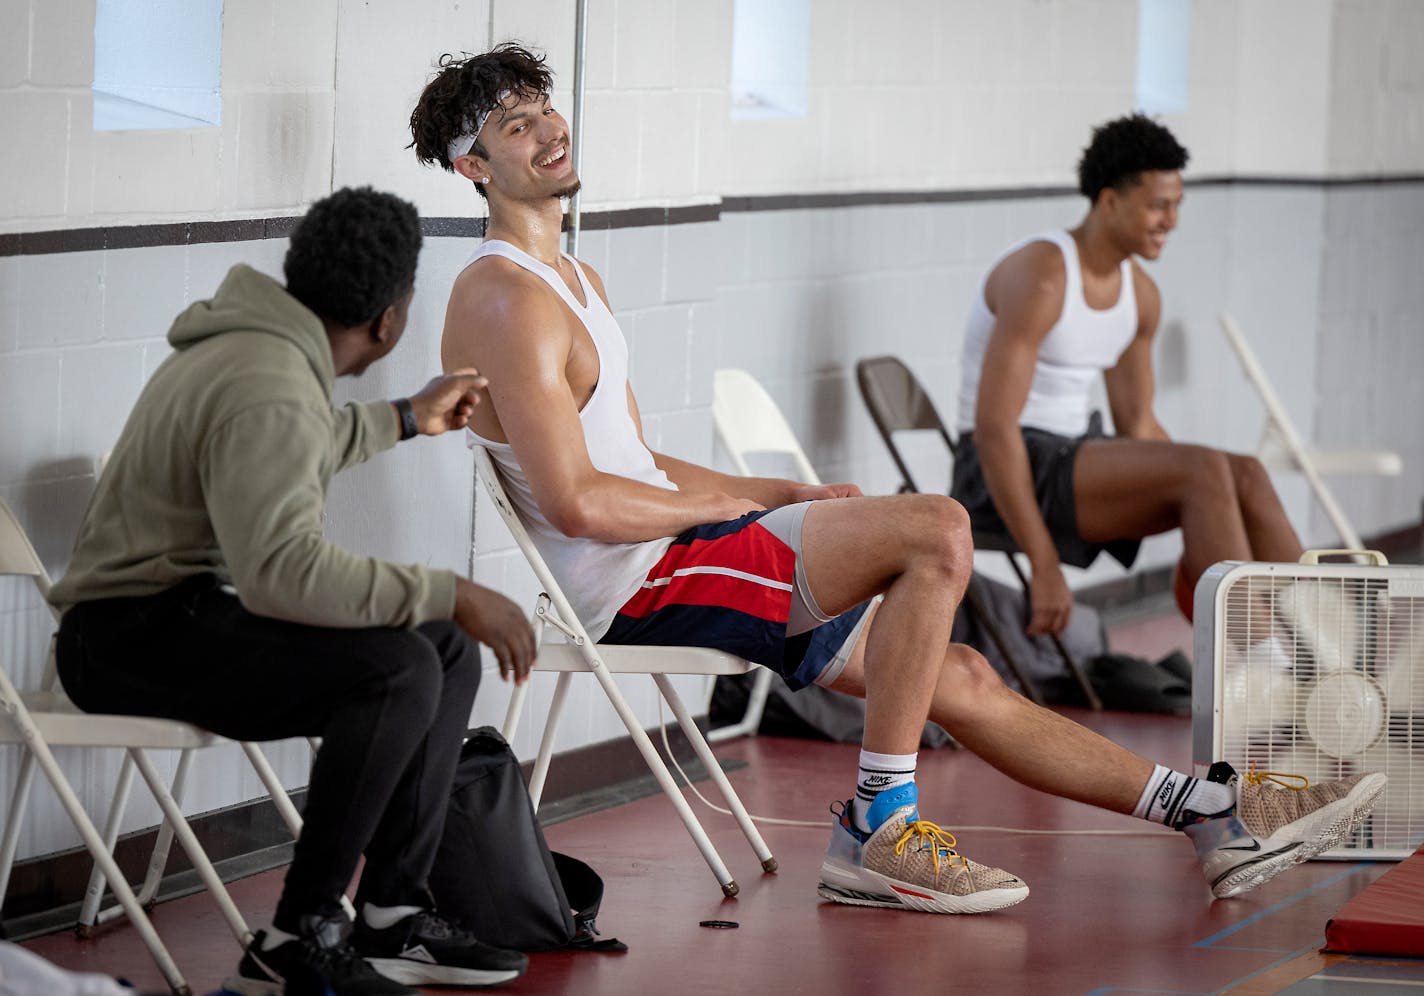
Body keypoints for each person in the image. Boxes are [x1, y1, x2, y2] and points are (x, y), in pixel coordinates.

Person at [409, 46, 1383, 914]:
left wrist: (770, 492)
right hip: (638, 580)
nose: (545, 129)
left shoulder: (577, 280)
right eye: (512, 123)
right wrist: (728, 506)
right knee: (936, 528)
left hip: (685, 549)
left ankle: (1206, 811)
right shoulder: (499, 295)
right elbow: (580, 501)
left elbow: (637, 462)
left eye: (543, 106)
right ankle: (878, 825)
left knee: (953, 675)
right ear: (471, 166)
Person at [49, 187, 536, 996]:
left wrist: (407, 418)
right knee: (400, 667)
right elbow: (283, 575)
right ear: (392, 318)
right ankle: (296, 937)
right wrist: (450, 588)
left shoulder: (265, 349)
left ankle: (390, 917)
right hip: (125, 638)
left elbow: (292, 447)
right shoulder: (267, 379)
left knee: (440, 654)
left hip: (164, 617)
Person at [952, 113, 1304, 637]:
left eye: (1178, 204)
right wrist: (1044, 565)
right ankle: (1255, 671)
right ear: (1110, 201)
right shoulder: (1044, 276)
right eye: (1158, 205)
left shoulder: (1140, 296)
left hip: (1072, 457)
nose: (1173, 220)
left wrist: (1217, 498)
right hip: (999, 470)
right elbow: (994, 430)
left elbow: (1138, 422)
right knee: (1205, 470)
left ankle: (1330, 650)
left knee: (1243, 471)